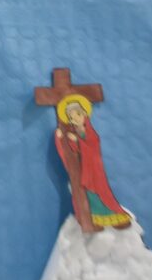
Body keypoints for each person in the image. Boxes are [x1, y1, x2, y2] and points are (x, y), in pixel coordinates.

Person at [54, 95, 131, 232]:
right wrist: (60, 138)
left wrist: (77, 141)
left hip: (93, 171)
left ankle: (114, 218)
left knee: (101, 195)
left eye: (77, 115)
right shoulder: (72, 132)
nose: (76, 119)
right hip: (82, 172)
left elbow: (92, 147)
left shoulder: (90, 132)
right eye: (72, 117)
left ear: (84, 114)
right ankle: (93, 221)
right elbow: (70, 152)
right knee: (88, 198)